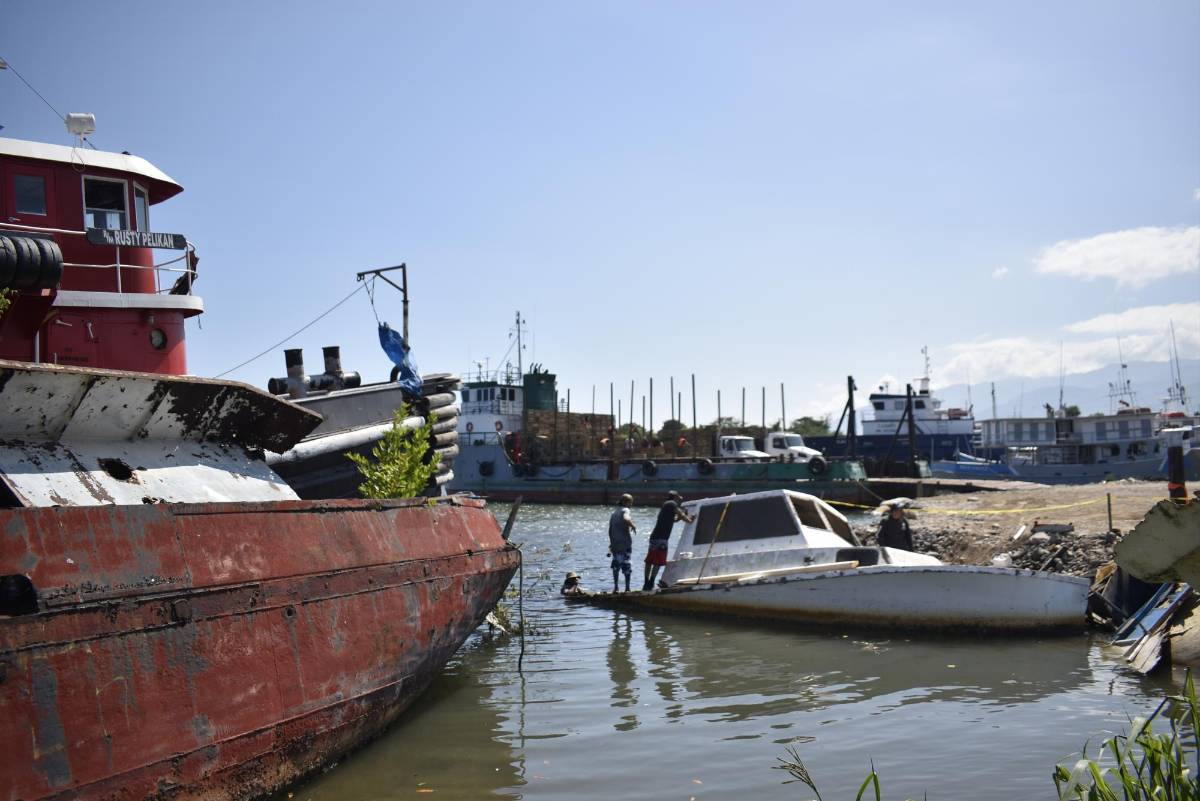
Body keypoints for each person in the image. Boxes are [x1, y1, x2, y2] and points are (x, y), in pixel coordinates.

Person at [643, 490, 694, 591]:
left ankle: (646, 582)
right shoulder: (672, 504)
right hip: (662, 538)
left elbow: (674, 519)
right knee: (657, 562)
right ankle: (651, 582)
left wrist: (681, 517)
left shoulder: (665, 505)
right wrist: (689, 520)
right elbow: (681, 515)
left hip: (655, 537)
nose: (679, 500)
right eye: (678, 498)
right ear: (675, 497)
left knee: (650, 560)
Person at [608, 493, 637, 592]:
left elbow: (610, 530)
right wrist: (633, 525)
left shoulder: (614, 513)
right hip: (625, 544)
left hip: (615, 544)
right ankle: (627, 588)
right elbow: (626, 518)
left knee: (616, 566)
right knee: (627, 566)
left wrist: (611, 543)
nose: (631, 505)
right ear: (625, 502)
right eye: (630, 502)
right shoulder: (625, 510)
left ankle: (616, 587)